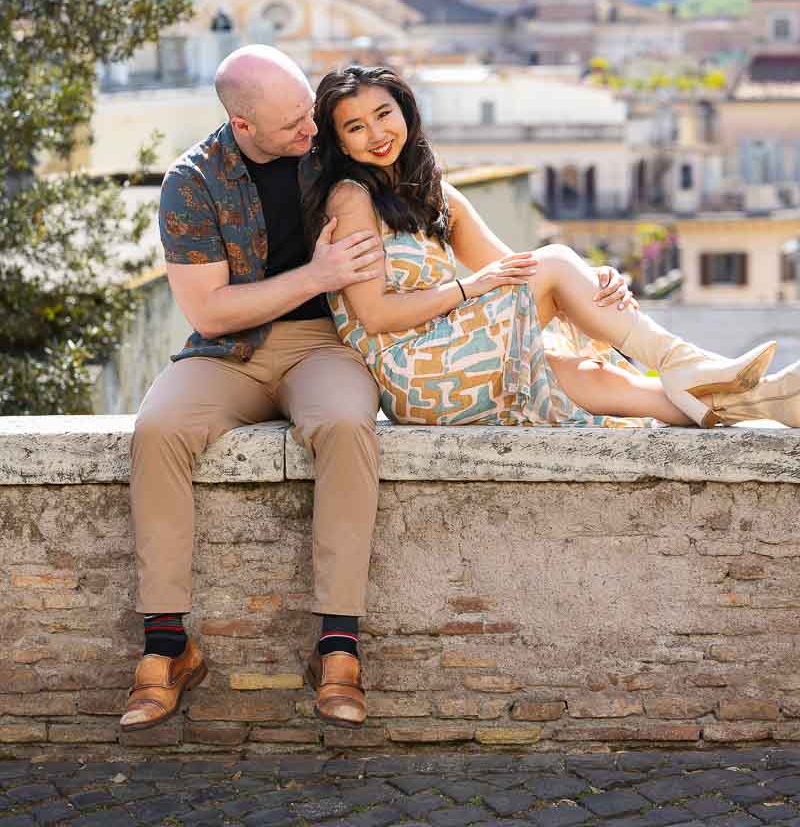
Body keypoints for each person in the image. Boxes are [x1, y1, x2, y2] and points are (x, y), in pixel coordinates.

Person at [120, 45, 636, 734]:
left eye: (310, 112)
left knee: (343, 428)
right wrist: (317, 274)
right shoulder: (192, 182)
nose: (312, 131)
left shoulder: (336, 155)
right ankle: (166, 647)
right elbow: (209, 312)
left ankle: (338, 647)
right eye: (292, 125)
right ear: (244, 126)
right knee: (156, 431)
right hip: (229, 350)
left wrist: (584, 279)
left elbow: (450, 220)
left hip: (328, 349)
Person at [303, 63, 800, 439]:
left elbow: (514, 267)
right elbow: (373, 314)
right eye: (356, 127)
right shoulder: (352, 199)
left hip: (460, 354)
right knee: (558, 264)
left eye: (383, 114)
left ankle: (767, 402)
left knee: (588, 376)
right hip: (415, 373)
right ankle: (687, 361)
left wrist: (591, 276)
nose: (377, 134)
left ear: (404, 113)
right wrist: (465, 289)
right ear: (342, 144)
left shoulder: (434, 193)